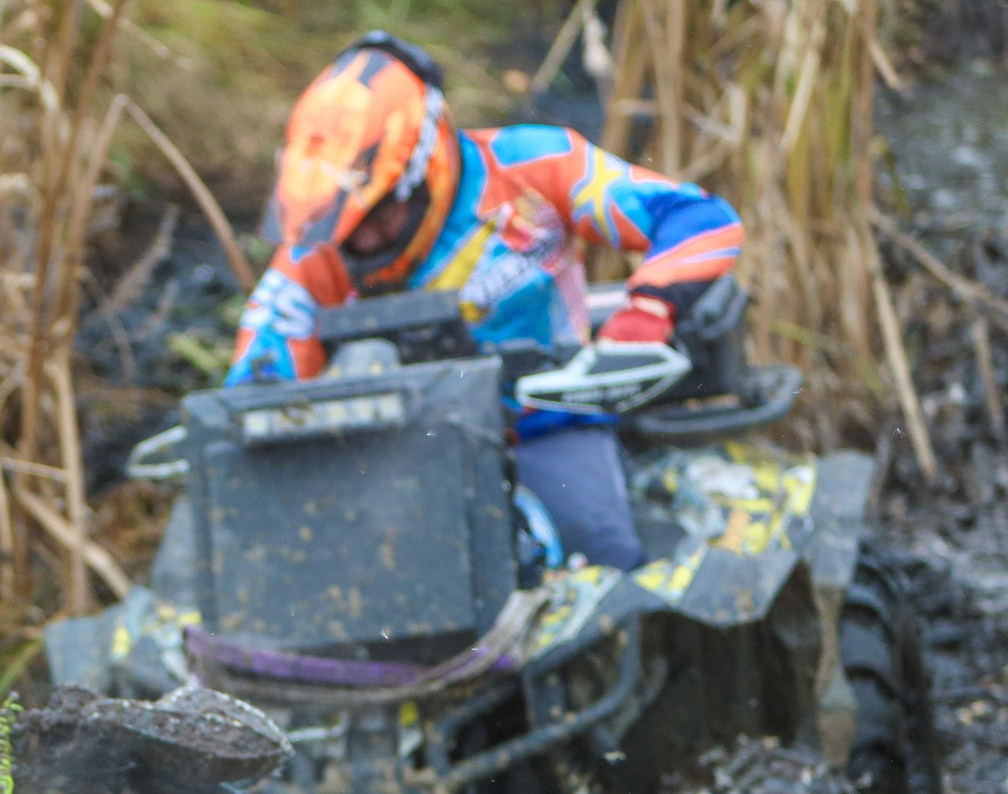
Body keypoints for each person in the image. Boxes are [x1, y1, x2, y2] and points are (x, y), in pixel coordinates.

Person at [226, 31, 745, 570]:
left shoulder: (530, 165)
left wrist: (647, 311)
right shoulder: (319, 248)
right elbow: (257, 376)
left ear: (425, 168)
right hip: (389, 451)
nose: (365, 243)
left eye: (377, 217)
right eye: (348, 227)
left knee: (602, 553)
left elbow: (699, 218)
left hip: (546, 423)